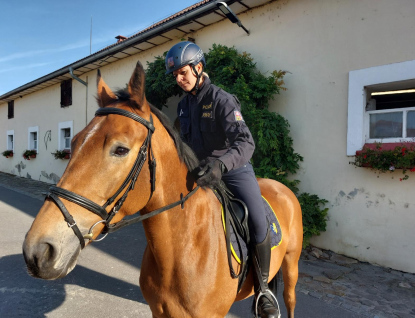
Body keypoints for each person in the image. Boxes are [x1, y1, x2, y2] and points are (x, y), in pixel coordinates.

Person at [165, 41, 278, 318]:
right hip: (200, 173)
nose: (179, 80)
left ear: (198, 67)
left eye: (183, 73)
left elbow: (245, 142)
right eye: (176, 75)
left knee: (257, 220)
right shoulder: (182, 107)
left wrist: (222, 164)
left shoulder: (222, 99)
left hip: (233, 170)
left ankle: (264, 289)